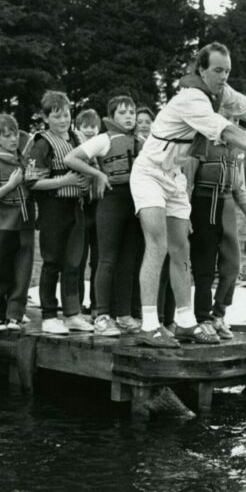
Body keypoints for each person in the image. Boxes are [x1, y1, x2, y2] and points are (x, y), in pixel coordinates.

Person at [130, 42, 246, 345]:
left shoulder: (220, 92)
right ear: (202, 70)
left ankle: (184, 321)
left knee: (181, 249)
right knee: (158, 245)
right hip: (149, 173)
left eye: (227, 71)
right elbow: (228, 132)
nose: (223, 76)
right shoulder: (191, 98)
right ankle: (149, 325)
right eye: (218, 70)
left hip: (174, 177)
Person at [64, 96, 172, 344]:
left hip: (136, 202)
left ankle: (124, 315)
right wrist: (98, 174)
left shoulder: (143, 141)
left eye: (132, 112)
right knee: (107, 259)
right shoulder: (104, 139)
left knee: (129, 261)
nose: (129, 117)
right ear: (112, 117)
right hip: (111, 201)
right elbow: (71, 158)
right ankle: (102, 315)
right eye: (123, 113)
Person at [26, 91, 95, 334]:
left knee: (73, 263)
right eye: (56, 116)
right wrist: (64, 180)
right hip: (52, 208)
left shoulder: (77, 139)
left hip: (76, 208)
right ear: (46, 118)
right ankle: (48, 315)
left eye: (66, 114)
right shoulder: (42, 143)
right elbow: (31, 182)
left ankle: (72, 313)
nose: (63, 120)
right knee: (52, 261)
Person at [184, 130, 246, 341]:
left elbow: (240, 187)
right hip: (202, 206)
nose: (232, 125)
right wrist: (186, 214)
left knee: (232, 266)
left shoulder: (237, 149)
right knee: (204, 267)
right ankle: (203, 319)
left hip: (226, 207)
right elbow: (187, 183)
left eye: (235, 120)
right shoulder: (201, 143)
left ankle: (219, 315)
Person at [0, 114, 36, 332]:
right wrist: (11, 184)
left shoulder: (25, 158)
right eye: (7, 135)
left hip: (26, 221)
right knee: (0, 268)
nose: (13, 139)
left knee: (23, 269)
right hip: (5, 222)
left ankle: (15, 314)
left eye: (14, 134)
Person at [75, 108, 102, 315]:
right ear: (78, 128)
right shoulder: (76, 150)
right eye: (85, 127)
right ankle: (75, 304)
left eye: (93, 126)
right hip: (80, 208)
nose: (90, 130)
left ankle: (96, 304)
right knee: (78, 259)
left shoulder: (102, 148)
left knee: (98, 259)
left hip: (99, 208)